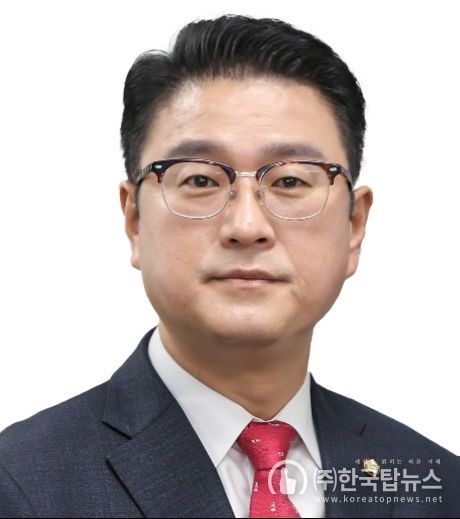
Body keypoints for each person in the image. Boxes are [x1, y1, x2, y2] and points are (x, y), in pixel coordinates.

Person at [0, 14, 458, 519]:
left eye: (290, 181)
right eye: (200, 180)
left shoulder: (438, 485)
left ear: (354, 225)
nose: (246, 225)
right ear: (134, 221)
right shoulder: (20, 485)